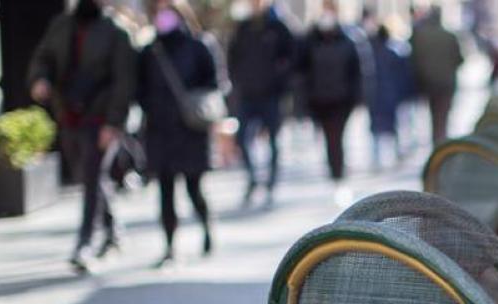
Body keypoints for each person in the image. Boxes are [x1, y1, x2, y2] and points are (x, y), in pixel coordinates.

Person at [28, 0, 136, 274]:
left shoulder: (116, 32)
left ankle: (85, 243)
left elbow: (124, 82)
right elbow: (44, 57)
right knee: (88, 176)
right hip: (69, 115)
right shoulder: (62, 25)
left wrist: (113, 123)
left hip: (99, 118)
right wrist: (41, 79)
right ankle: (113, 230)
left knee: (91, 177)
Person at [137, 0, 220, 268]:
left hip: (190, 130)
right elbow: (139, 89)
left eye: (167, 10)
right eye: (158, 11)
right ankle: (170, 246)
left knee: (195, 189)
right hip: (160, 131)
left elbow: (214, 83)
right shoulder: (150, 51)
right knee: (165, 191)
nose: (163, 16)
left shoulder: (198, 45)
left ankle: (207, 227)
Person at [227, 0, 294, 205]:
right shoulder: (243, 27)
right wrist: (238, 83)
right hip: (247, 95)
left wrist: (280, 83)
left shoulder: (278, 27)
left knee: (273, 141)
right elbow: (232, 58)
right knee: (243, 139)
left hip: (271, 95)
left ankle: (271, 183)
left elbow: (291, 58)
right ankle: (253, 179)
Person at [296, 1, 362, 183]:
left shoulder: (348, 40)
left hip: (341, 100)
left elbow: (356, 72)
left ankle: (337, 171)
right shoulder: (309, 40)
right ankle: (334, 168)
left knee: (336, 137)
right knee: (328, 137)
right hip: (319, 100)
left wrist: (357, 98)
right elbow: (301, 71)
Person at [408, 6, 462, 146]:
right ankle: (440, 141)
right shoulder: (449, 36)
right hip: (446, 83)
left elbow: (413, 59)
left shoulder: (419, 36)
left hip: (428, 83)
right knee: (442, 116)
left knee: (434, 115)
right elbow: (459, 59)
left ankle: (437, 142)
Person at [366, 23, 411, 169]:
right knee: (392, 126)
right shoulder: (391, 54)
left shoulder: (371, 55)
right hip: (390, 94)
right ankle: (393, 155)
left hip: (377, 95)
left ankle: (377, 158)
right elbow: (403, 75)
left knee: (376, 128)